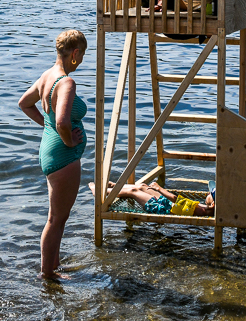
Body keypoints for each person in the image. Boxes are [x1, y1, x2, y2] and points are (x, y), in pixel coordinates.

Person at [18, 29, 88, 280]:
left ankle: (53, 266)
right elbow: (61, 122)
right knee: (56, 218)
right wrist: (68, 142)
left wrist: (47, 127)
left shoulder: (47, 76)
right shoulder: (66, 82)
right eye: (82, 56)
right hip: (62, 156)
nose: (81, 62)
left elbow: (24, 103)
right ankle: (48, 273)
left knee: (58, 217)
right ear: (75, 53)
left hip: (49, 150)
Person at [89, 180, 214, 217]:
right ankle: (115, 186)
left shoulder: (204, 211)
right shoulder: (205, 208)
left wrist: (159, 188)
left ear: (213, 204)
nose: (207, 193)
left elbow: (176, 199)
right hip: (165, 204)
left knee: (134, 191)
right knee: (143, 186)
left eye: (210, 194)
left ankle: (100, 192)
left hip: (160, 208)